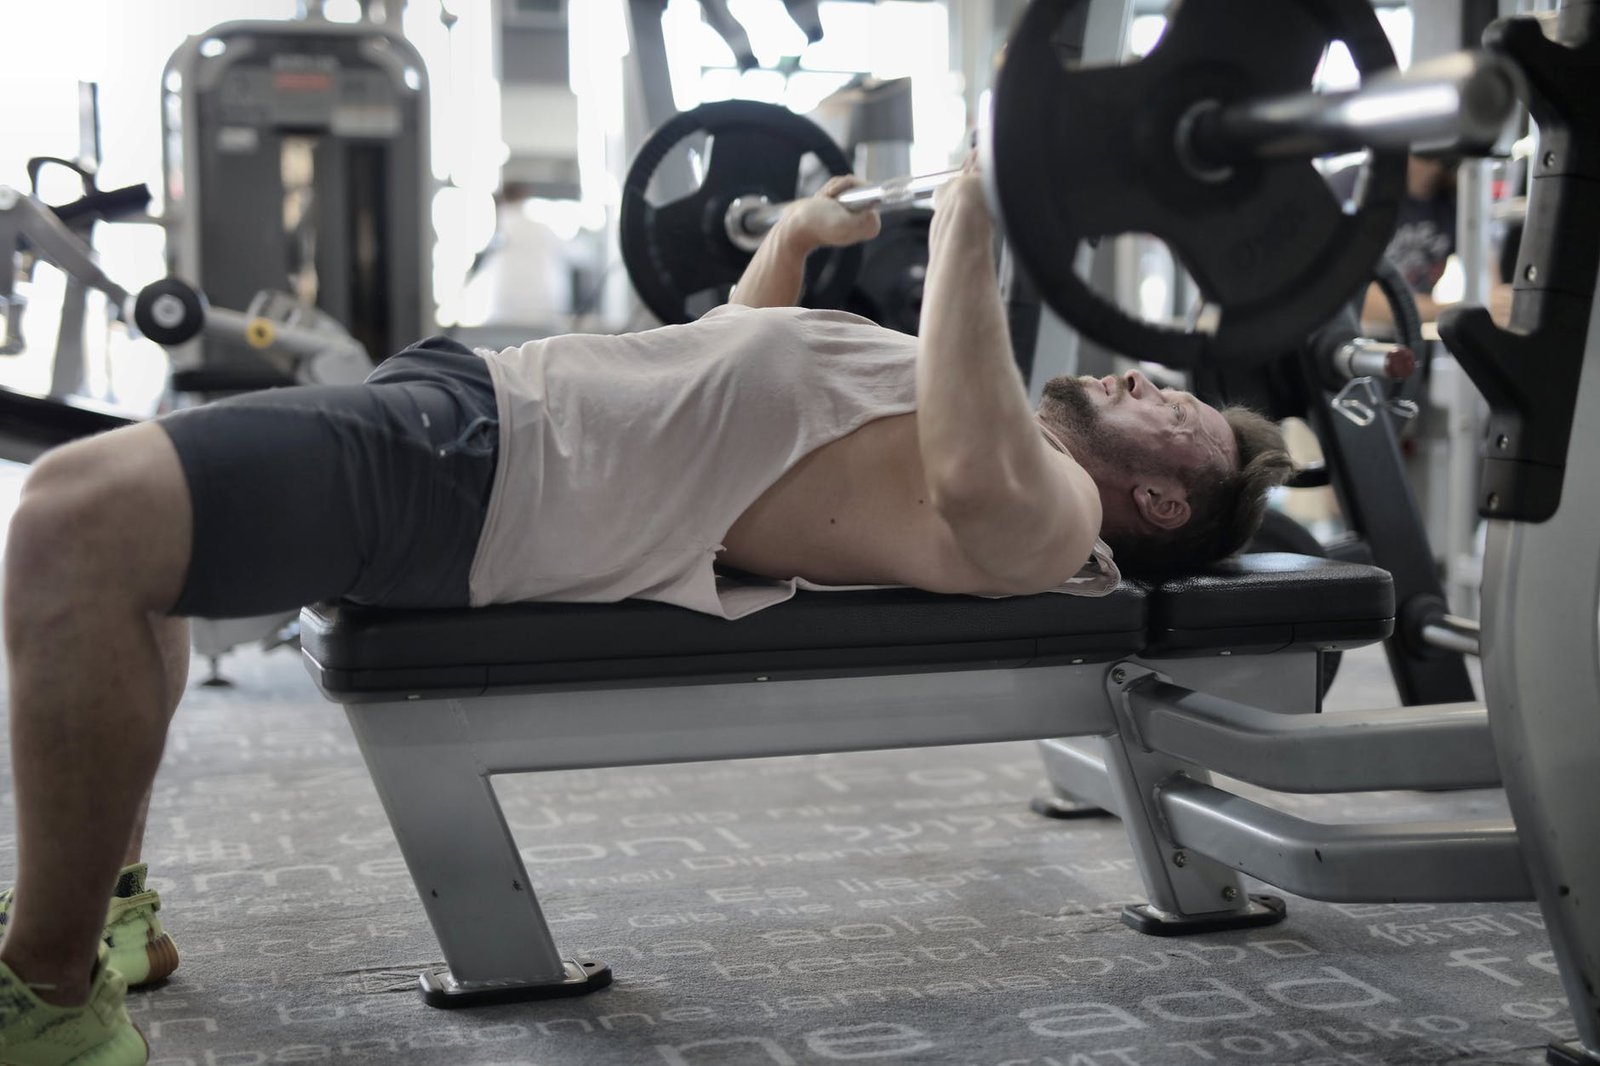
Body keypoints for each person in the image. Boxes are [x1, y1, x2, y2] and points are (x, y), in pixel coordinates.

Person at [0, 163, 1291, 1063]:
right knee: (139, 547)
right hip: (474, 423)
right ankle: (105, 910)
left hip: (481, 479)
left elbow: (967, 467)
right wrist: (793, 241)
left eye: (1172, 412)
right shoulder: (976, 410)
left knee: (72, 520)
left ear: (1161, 505)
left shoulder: (1054, 510)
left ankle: (52, 987)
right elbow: (732, 378)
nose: (1140, 374)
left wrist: (971, 223)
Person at [1330, 153, 1513, 328]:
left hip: (1411, 336)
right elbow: (1358, 300)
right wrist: (1461, 309)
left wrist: (1497, 306)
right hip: (1356, 339)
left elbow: (1489, 284)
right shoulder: (1357, 184)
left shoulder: (1453, 197)